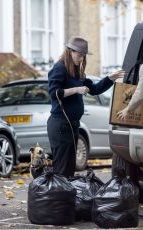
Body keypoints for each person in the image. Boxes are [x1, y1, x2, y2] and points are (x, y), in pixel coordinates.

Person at [47, 36, 125, 177]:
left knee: (70, 167)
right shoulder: (59, 68)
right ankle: (58, 197)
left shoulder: (76, 71)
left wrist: (110, 78)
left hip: (73, 125)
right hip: (60, 125)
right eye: (79, 55)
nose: (81, 59)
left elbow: (94, 89)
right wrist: (76, 90)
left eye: (83, 56)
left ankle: (65, 197)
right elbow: (54, 93)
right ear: (70, 51)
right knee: (62, 167)